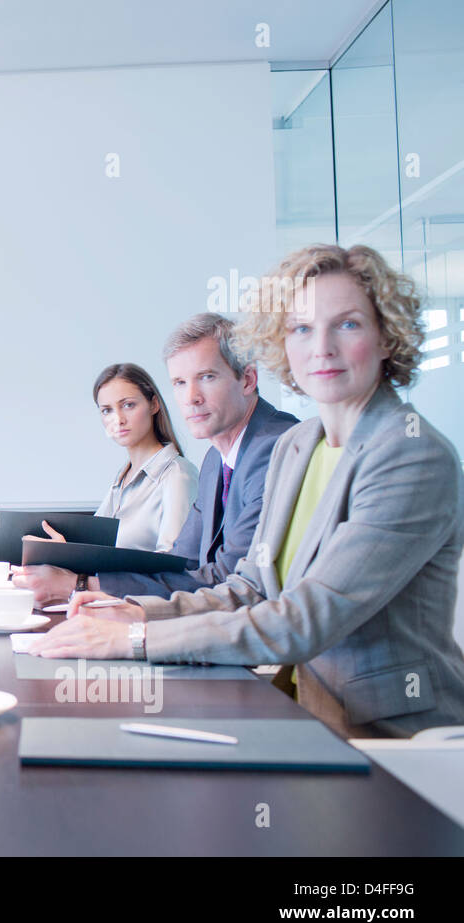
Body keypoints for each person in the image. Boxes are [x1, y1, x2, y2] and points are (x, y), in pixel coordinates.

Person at [37, 245, 464, 738]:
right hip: (295, 706)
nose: (320, 347)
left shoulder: (409, 453)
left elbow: (305, 620)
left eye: (347, 324)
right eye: (301, 329)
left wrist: (135, 636)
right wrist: (135, 609)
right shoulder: (299, 444)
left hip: (386, 737)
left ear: (387, 336)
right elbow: (251, 588)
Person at [15, 314, 297, 602]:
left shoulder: (276, 449)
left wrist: (81, 584)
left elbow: (227, 577)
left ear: (248, 380)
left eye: (207, 377)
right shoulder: (215, 459)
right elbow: (182, 562)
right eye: (180, 383)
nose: (191, 397)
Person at [87, 363, 198, 553]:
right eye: (107, 410)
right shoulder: (122, 478)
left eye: (128, 405)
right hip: (104, 582)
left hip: (137, 584)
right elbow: (93, 544)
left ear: (153, 404)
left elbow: (173, 562)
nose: (118, 419)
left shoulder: (177, 474)